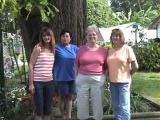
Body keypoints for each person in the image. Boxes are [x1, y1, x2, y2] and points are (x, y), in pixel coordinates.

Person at [75, 25, 107, 120]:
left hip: (98, 79)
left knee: (97, 103)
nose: (92, 36)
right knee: (81, 103)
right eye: (89, 35)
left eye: (94, 34)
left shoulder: (103, 51)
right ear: (86, 36)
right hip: (82, 78)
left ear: (97, 36)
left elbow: (106, 66)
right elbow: (76, 64)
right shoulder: (81, 49)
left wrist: (104, 77)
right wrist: (76, 77)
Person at [107, 28, 139, 120]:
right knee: (116, 106)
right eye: (113, 35)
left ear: (121, 37)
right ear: (111, 37)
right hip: (113, 82)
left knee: (124, 107)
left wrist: (128, 75)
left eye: (117, 35)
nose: (115, 37)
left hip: (124, 83)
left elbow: (135, 66)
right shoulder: (110, 50)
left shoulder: (127, 49)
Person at [28, 27, 55, 120]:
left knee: (48, 110)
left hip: (49, 82)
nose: (46, 37)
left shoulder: (53, 49)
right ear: (41, 37)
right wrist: (31, 84)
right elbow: (31, 65)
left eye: (48, 35)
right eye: (44, 35)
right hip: (38, 82)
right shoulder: (38, 48)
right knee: (39, 110)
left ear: (51, 36)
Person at [53, 29, 78, 119]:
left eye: (67, 36)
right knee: (62, 97)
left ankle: (69, 115)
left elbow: (81, 59)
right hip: (60, 77)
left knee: (70, 97)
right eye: (63, 36)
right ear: (60, 38)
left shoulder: (75, 48)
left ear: (70, 38)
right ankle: (63, 115)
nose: (65, 38)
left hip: (72, 76)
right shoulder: (56, 47)